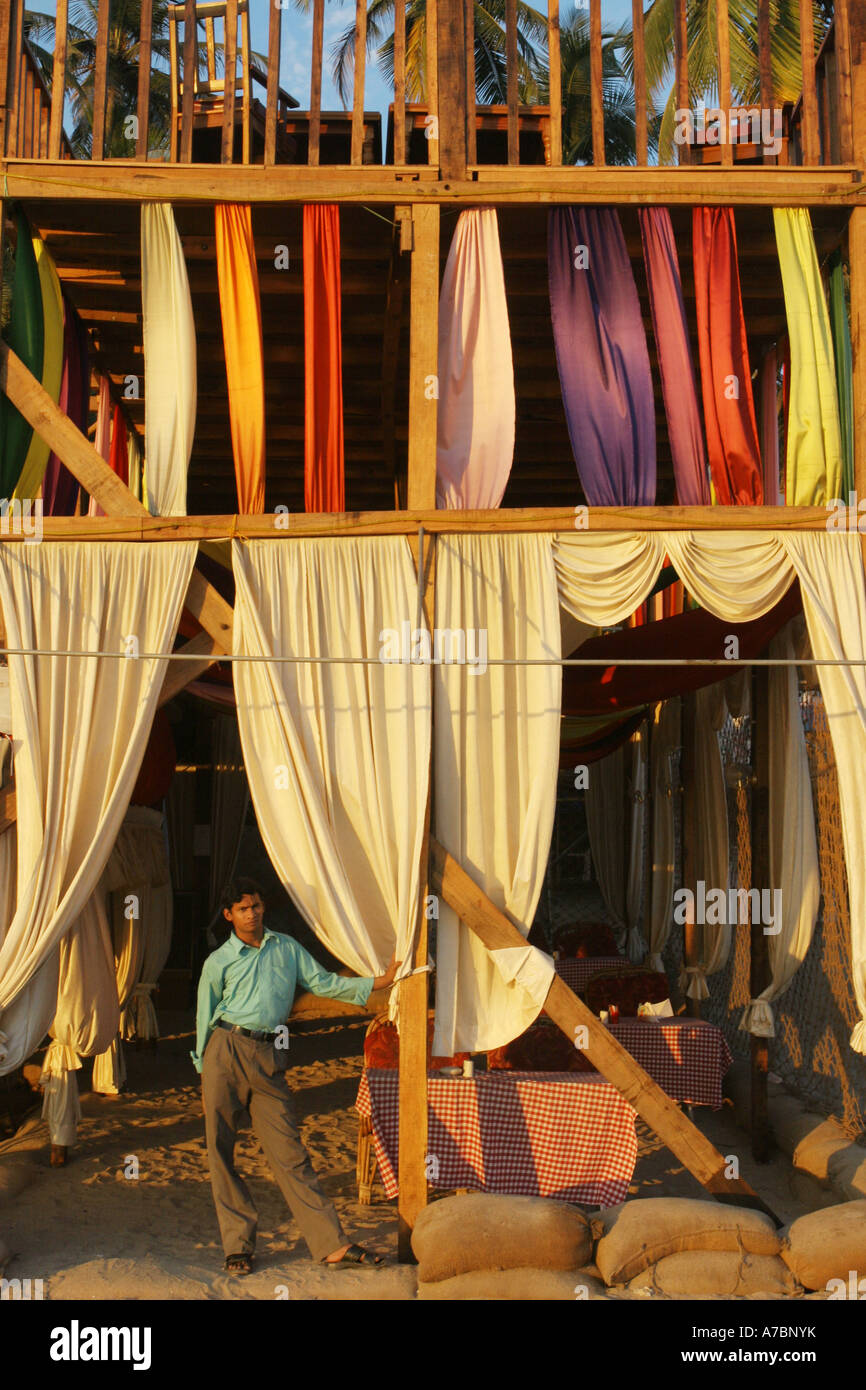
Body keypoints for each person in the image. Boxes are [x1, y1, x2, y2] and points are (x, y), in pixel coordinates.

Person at [191, 877, 399, 1275]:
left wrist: (380, 982)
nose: (252, 913)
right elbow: (205, 1016)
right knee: (220, 1152)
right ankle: (238, 1246)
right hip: (225, 1051)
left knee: (291, 1155)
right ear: (228, 915)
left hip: (269, 1056)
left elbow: (325, 983)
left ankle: (331, 1245)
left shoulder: (286, 947)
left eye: (256, 906)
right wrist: (204, 1066)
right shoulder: (218, 961)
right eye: (243, 908)